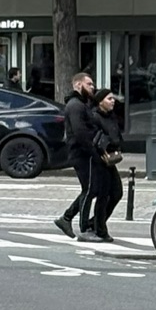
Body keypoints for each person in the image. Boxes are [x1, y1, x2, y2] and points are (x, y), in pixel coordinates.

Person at [55, 72, 100, 241]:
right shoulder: (75, 105)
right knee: (89, 189)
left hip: (82, 152)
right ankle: (83, 227)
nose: (92, 87)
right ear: (78, 85)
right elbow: (80, 132)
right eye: (89, 84)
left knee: (90, 189)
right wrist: (93, 151)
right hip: (81, 153)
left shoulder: (82, 104)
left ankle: (66, 218)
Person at [89, 88, 123, 242]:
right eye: (109, 99)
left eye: (113, 98)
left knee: (116, 193)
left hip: (111, 159)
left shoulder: (111, 116)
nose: (113, 101)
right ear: (100, 101)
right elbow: (95, 139)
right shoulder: (95, 117)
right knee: (103, 196)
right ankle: (100, 229)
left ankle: (95, 222)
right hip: (100, 159)